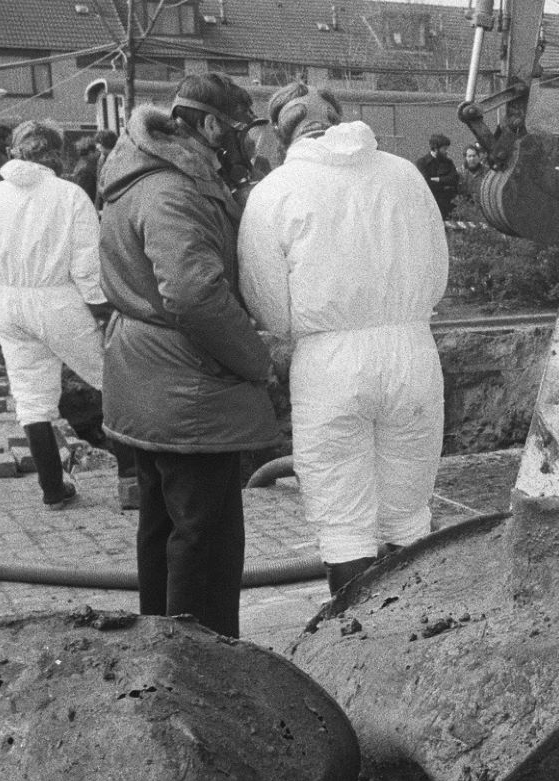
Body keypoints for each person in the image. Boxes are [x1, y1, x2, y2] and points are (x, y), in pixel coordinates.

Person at [241, 83, 449, 598]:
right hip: (411, 353)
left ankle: (355, 642)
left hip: (328, 361)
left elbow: (267, 301)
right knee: (407, 512)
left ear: (280, 131)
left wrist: (303, 328)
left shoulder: (274, 191)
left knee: (343, 518)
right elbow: (439, 268)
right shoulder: (404, 174)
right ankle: (416, 628)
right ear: (338, 117)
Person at [97, 73, 279, 638]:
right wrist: (259, 360)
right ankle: (204, 662)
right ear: (206, 125)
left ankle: (160, 649)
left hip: (148, 379)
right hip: (186, 388)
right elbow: (194, 295)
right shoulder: (172, 192)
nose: (243, 144)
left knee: (163, 527)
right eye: (238, 129)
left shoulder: (150, 177)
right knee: (206, 539)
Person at [0, 120, 111, 510]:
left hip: (8, 304)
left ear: (15, 151)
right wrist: (100, 307)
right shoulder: (69, 195)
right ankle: (134, 475)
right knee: (111, 380)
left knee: (31, 398)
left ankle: (52, 489)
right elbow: (85, 262)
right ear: (56, 153)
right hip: (57, 299)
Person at [416, 133, 462, 220]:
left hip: (448, 207)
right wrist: (445, 182)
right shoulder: (422, 163)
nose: (446, 151)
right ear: (436, 149)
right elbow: (426, 183)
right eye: (444, 149)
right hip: (429, 206)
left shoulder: (448, 162)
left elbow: (454, 179)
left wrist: (437, 179)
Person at [69, 130, 117, 205]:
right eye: (97, 151)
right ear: (91, 153)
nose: (98, 153)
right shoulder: (86, 169)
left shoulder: (83, 165)